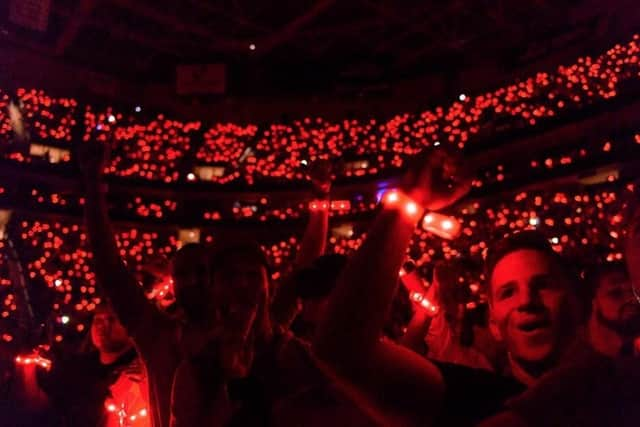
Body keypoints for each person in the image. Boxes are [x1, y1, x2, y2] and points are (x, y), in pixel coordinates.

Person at [313, 149, 590, 426]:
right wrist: (409, 201)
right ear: (493, 323)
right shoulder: (471, 396)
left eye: (543, 285)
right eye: (508, 292)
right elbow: (342, 350)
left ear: (578, 300)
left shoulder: (623, 386)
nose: (527, 300)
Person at [78, 140, 214, 427]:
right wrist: (93, 187)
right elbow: (110, 270)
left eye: (202, 272)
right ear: (173, 284)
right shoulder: (159, 335)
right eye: (183, 274)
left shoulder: (246, 330)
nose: (194, 281)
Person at [39, 303, 145, 427]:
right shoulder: (78, 368)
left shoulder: (140, 372)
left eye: (111, 319)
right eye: (97, 320)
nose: (102, 325)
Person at [586, 261, 640, 357]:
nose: (632, 299)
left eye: (633, 291)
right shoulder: (584, 356)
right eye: (616, 293)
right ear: (595, 302)